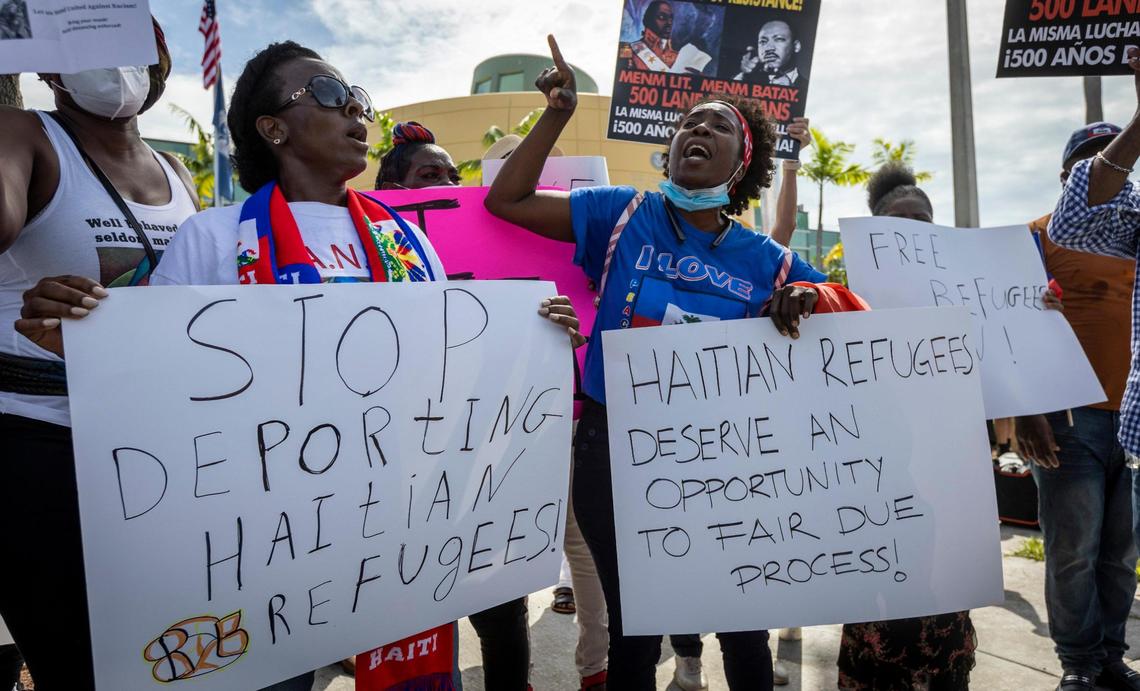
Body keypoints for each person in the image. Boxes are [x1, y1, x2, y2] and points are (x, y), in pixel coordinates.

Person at [151, 44, 583, 691]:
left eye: (357, 94)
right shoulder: (212, 240)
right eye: (327, 94)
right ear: (273, 128)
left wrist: (535, 334)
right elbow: (156, 378)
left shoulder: (403, 241)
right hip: (265, 549)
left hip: (394, 539)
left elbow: (453, 363)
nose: (354, 107)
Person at [486, 35, 859, 691]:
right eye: (690, 121)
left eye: (717, 125)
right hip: (611, 444)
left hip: (723, 453)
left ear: (742, 160)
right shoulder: (624, 211)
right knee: (637, 619)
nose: (697, 128)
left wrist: (812, 294)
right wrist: (557, 115)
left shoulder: (766, 259)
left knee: (741, 617)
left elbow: (854, 314)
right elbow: (506, 201)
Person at [0, 20, 201, 691]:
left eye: (131, 47)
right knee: (77, 662)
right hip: (37, 435)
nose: (114, 66)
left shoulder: (178, 173)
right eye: (86, 47)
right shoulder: (22, 134)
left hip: (150, 439)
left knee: (160, 651)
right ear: (48, 70)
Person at [836, 162, 977, 691]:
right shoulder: (844, 300)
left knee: (941, 590)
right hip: (878, 475)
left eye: (925, 220)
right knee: (882, 594)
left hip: (947, 470)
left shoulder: (965, 296)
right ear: (875, 228)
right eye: (900, 221)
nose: (914, 231)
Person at [1043, 98, 1140, 691]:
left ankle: (1109, 656)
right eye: (1092, 162)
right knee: (1072, 550)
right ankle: (1078, 664)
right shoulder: (1038, 237)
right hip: (1067, 417)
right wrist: (1027, 414)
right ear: (1069, 177)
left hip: (1129, 420)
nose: (1109, 172)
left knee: (1120, 554)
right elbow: (1010, 333)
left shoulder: (1133, 228)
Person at [732, 20, 804, 88]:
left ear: (796, 46)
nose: (769, 48)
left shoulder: (808, 88)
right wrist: (743, 77)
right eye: (763, 41)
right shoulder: (744, 80)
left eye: (778, 39)